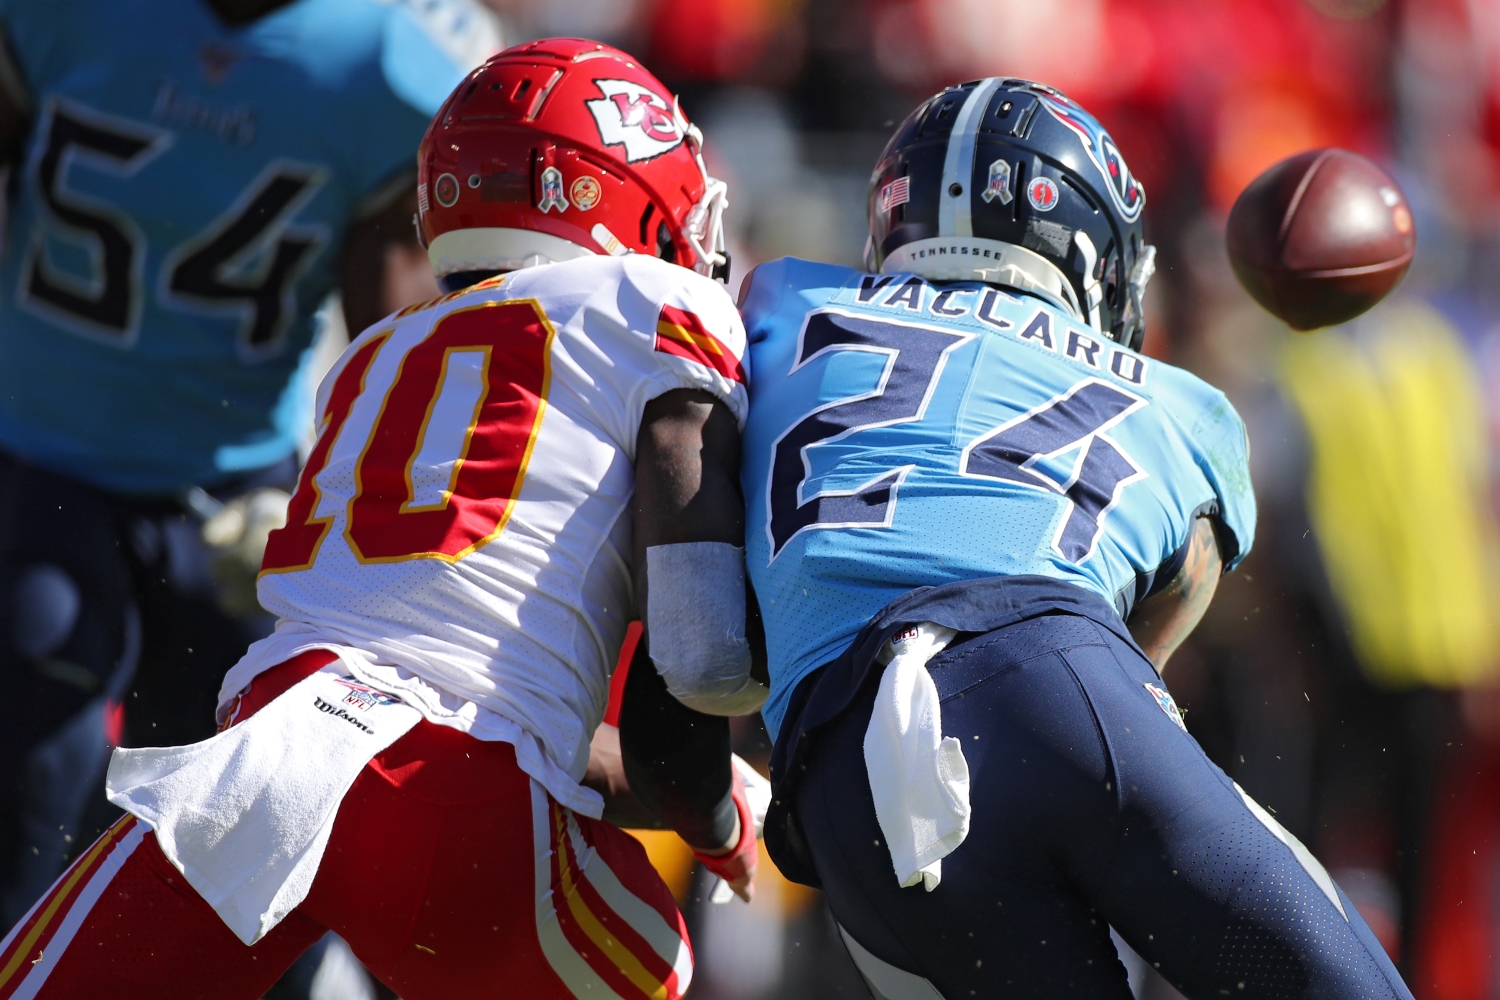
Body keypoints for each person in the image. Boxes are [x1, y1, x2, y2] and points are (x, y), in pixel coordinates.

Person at [0, 39, 764, 1000]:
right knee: (658, 968)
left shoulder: (372, 360)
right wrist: (712, 803)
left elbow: (415, 685)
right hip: (461, 800)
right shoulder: (656, 303)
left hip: (258, 764)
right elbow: (682, 653)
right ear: (622, 190)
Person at [738, 78, 1415, 999]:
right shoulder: (1180, 403)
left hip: (846, 776)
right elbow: (1150, 646)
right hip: (1059, 689)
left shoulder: (777, 308)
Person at [0, 0, 502, 928]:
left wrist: (338, 509)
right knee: (39, 772)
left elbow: (388, 339)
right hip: (37, 455)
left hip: (232, 495)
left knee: (232, 831)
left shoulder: (392, 59)